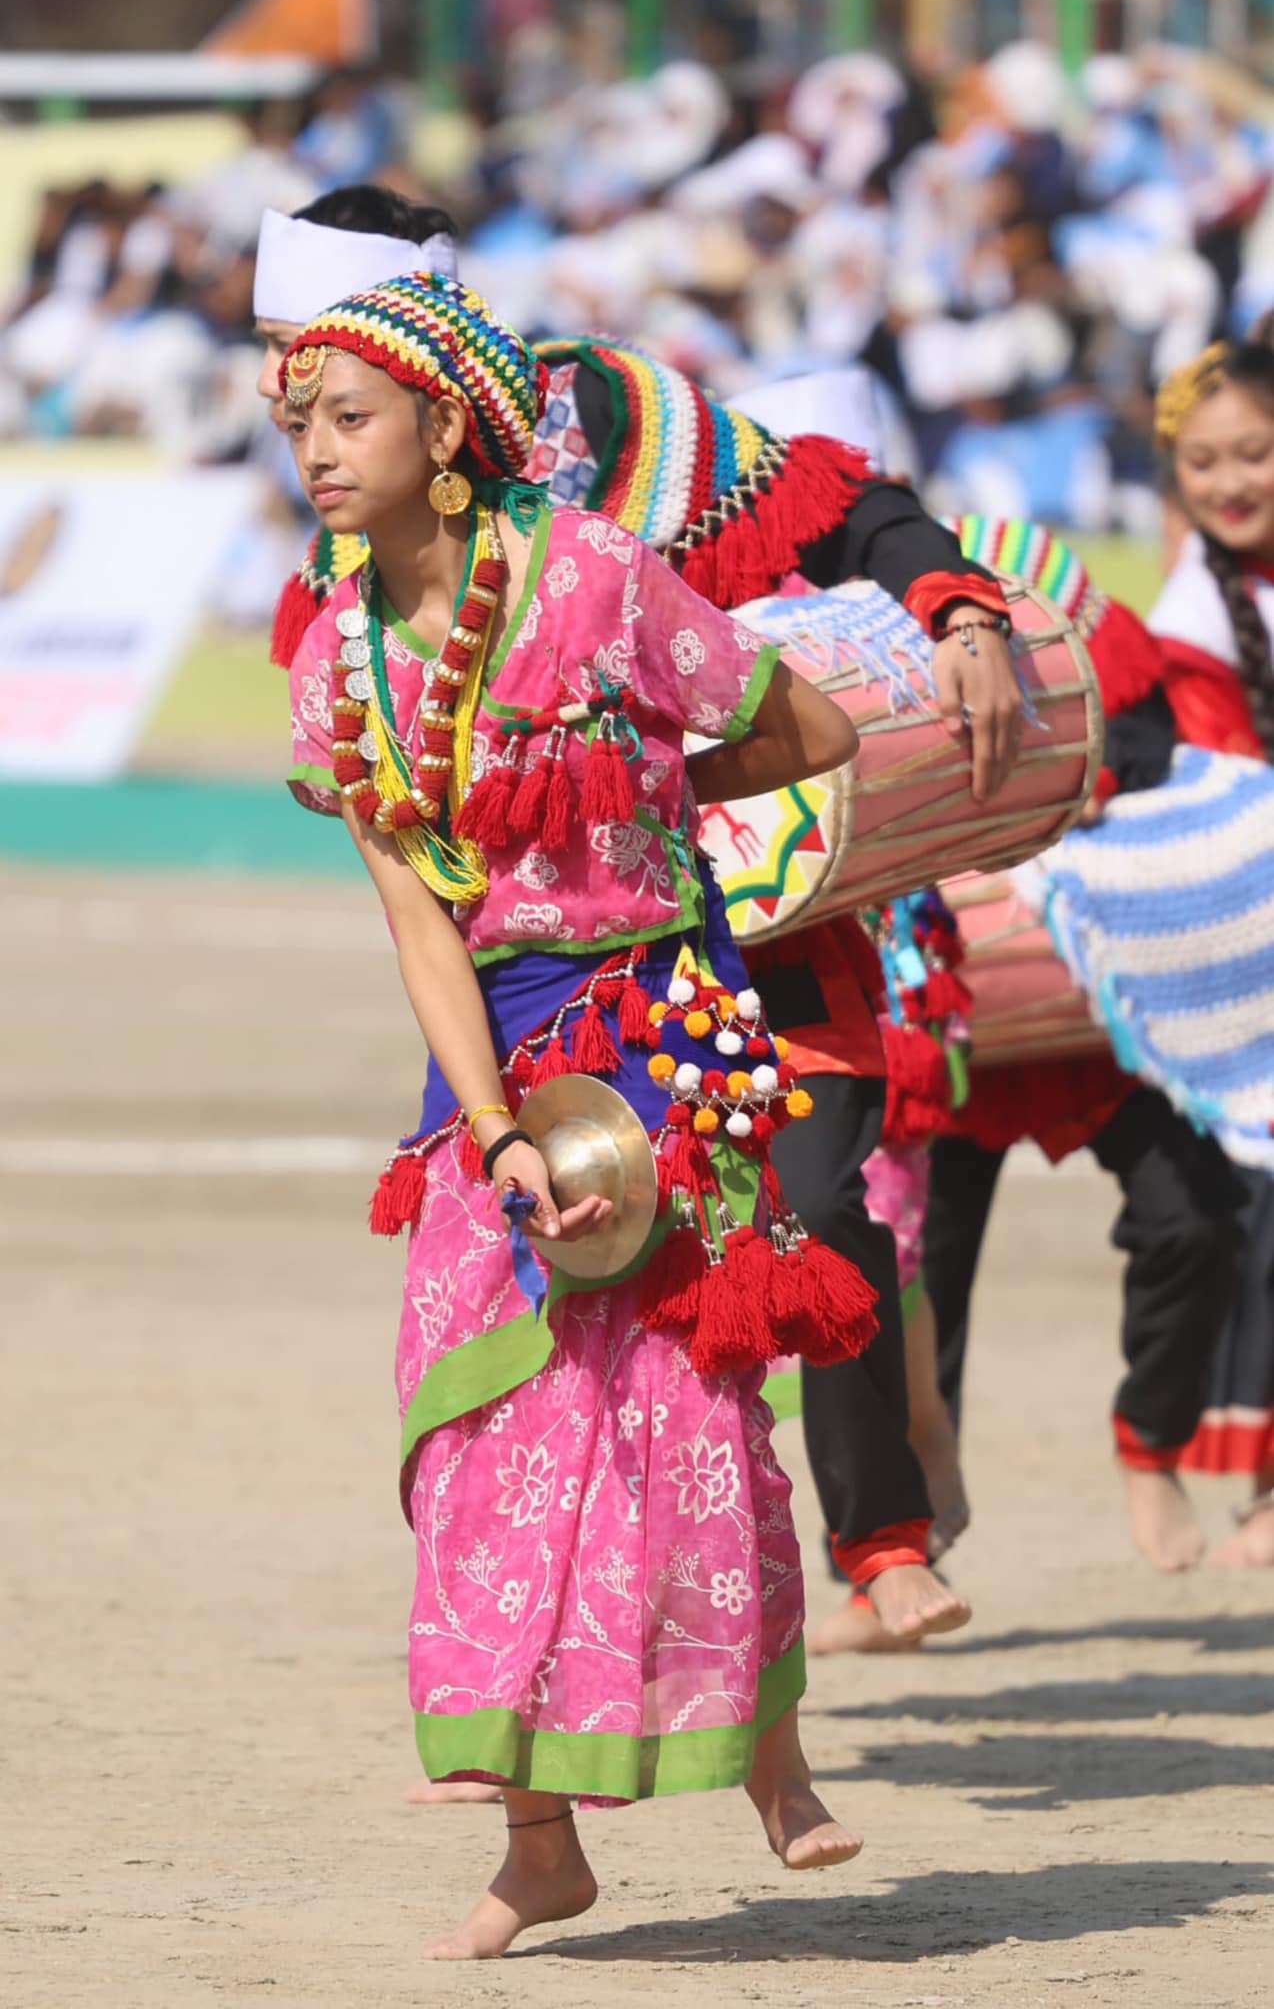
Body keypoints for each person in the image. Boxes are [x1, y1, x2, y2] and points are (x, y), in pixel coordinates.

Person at [253, 186, 1027, 1654]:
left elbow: (840, 504)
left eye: (306, 353)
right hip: (535, 970)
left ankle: (879, 1540)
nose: (286, 395)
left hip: (740, 905)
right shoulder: (343, 573)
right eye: (280, 362)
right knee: (555, 1312)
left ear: (419, 356)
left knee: (796, 1213)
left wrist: (957, 612)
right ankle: (578, 1666)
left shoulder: (618, 418)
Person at [280, 269, 872, 1958]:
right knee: (475, 1441)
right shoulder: (340, 664)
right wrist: (491, 1130)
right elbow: (417, 916)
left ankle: (773, 1755)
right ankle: (539, 1844)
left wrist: (647, 782)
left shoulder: (602, 581)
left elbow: (804, 725)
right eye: (301, 423)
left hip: (664, 1036)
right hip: (497, 1064)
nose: (317, 452)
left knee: (691, 1410)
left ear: (446, 430)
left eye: (351, 418)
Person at [925, 502, 1264, 1573]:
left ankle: (1149, 1445)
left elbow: (1148, 741)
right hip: (937, 1007)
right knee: (910, 1271)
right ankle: (891, 1541)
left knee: (1194, 1216)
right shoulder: (842, 615)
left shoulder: (1043, 576)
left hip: (1076, 990)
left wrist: (1079, 789)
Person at [1141, 339, 1274, 1567]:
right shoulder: (1192, 618)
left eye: (1254, 453)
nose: (1231, 480)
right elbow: (1220, 790)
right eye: (1204, 462)